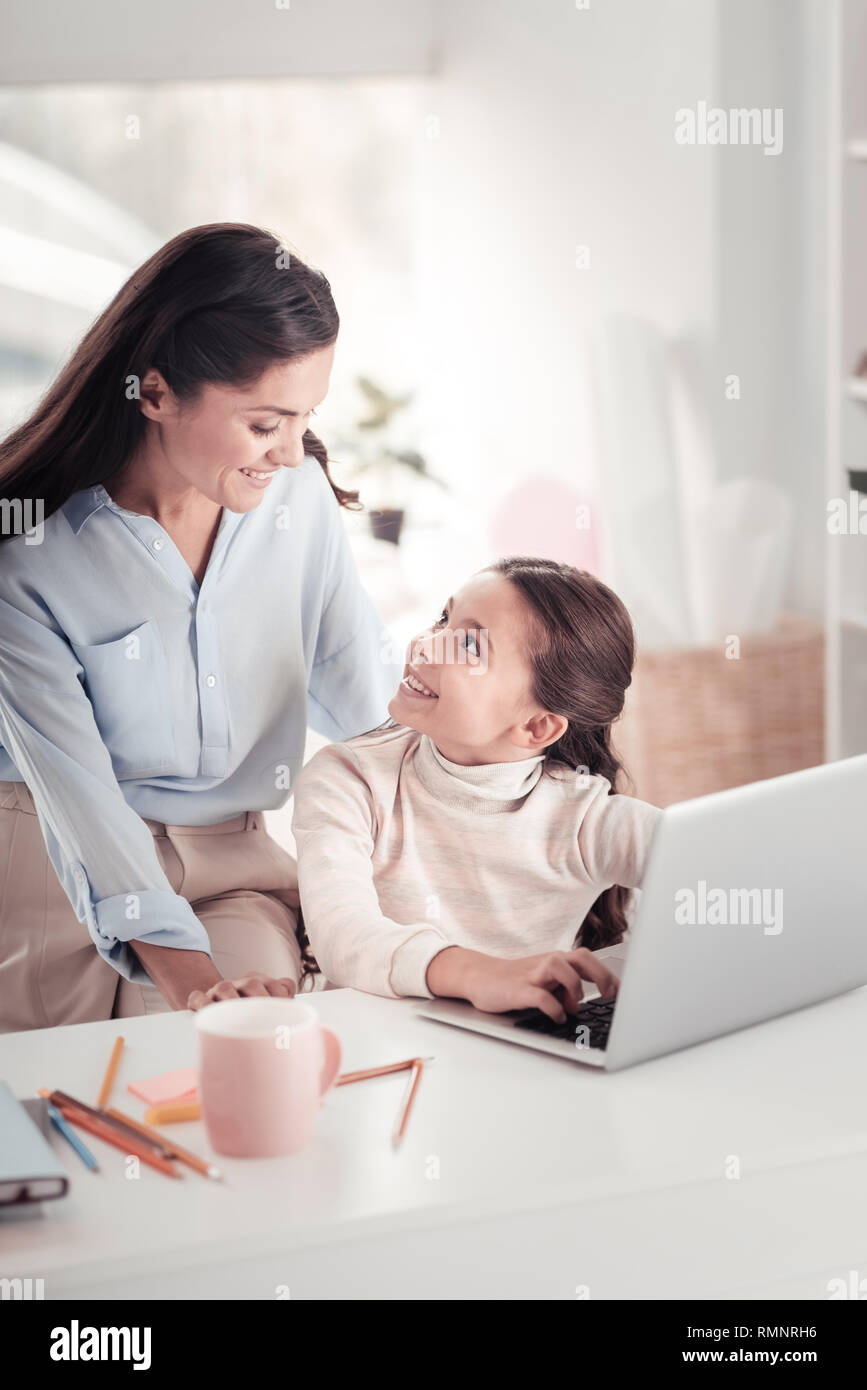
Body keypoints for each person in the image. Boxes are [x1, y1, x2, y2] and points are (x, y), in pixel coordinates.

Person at [0, 221, 401, 1032]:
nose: (292, 453)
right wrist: (191, 984)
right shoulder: (31, 559)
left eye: (304, 419)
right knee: (70, 1094)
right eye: (265, 424)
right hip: (47, 866)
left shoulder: (299, 505)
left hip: (232, 868)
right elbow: (82, 809)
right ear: (154, 394)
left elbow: (372, 711)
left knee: (258, 1050)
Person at [292, 557, 662, 1021]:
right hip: (379, 1046)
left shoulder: (585, 819)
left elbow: (726, 879)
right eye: (443, 619)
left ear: (536, 726)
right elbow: (342, 936)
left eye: (469, 645)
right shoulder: (350, 780)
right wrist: (479, 974)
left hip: (521, 1052)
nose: (425, 645)